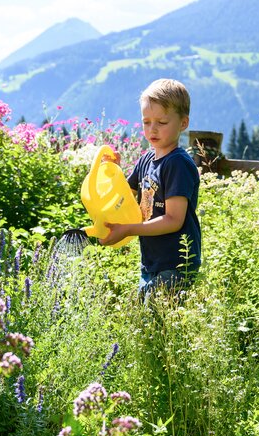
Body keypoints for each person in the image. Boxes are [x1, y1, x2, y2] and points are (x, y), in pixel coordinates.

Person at [99, 78, 201, 298]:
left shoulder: (177, 164)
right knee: (148, 322)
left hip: (176, 263)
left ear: (183, 123)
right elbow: (125, 196)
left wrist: (128, 229)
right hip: (152, 262)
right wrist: (112, 170)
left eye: (162, 123)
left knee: (159, 322)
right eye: (146, 122)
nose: (152, 129)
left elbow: (174, 220)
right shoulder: (146, 160)